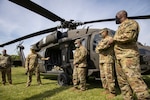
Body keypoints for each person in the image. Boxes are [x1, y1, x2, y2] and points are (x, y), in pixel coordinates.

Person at [113, 10, 150, 100]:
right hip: (119, 57)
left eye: (116, 16)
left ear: (120, 15)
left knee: (134, 80)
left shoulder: (131, 23)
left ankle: (144, 98)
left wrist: (113, 39)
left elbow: (129, 36)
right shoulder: (120, 27)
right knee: (122, 82)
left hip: (128, 56)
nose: (115, 18)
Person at [95, 28, 116, 98]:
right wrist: (102, 47)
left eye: (101, 33)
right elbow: (96, 49)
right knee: (103, 77)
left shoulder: (110, 39)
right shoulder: (102, 40)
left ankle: (112, 92)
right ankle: (106, 89)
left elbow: (100, 48)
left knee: (109, 77)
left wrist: (102, 47)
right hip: (102, 60)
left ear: (105, 32)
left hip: (108, 60)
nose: (100, 34)